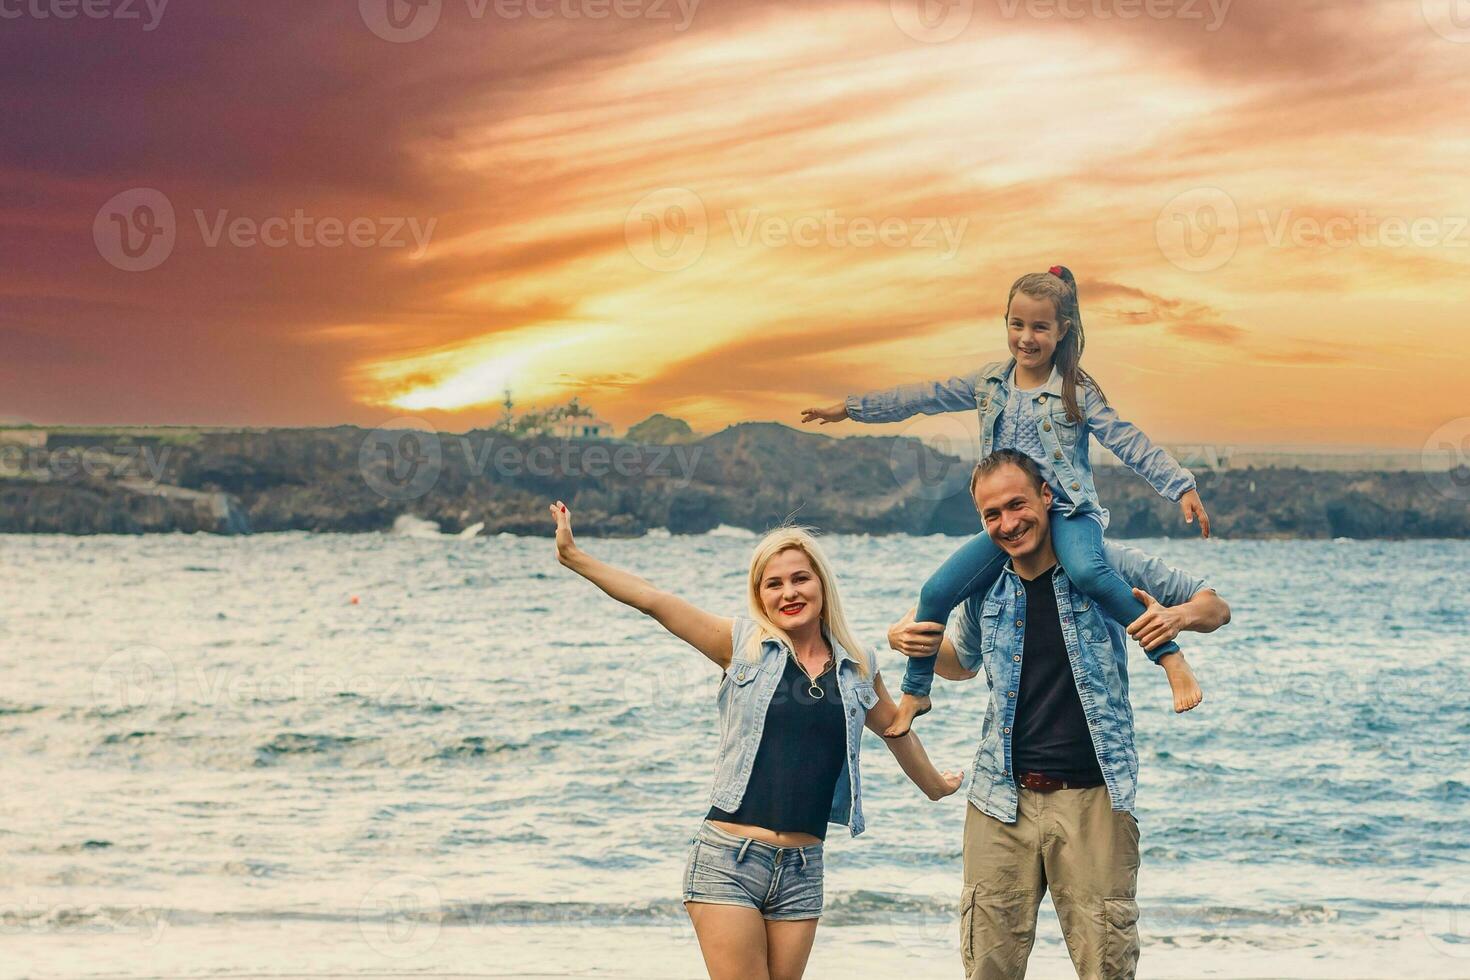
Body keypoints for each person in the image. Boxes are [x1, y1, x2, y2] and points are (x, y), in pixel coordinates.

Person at [548, 501, 963, 980]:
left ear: (822, 585)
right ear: (760, 595)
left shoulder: (858, 664)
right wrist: (574, 557)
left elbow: (895, 728)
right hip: (729, 860)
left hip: (804, 868)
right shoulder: (741, 646)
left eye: (800, 579)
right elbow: (653, 599)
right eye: (774, 584)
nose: (789, 592)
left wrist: (935, 786)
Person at [801, 265, 1211, 736]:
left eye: (1040, 327)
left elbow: (1126, 440)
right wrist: (852, 408)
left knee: (1088, 572)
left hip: (1067, 514)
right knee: (935, 593)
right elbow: (922, 396)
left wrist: (1179, 484)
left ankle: (1169, 657)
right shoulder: (989, 385)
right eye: (1017, 325)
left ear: (1062, 331)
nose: (1027, 337)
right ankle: (915, 693)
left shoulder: (1076, 391)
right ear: (1006, 324)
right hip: (1010, 523)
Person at [886, 450, 1231, 979]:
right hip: (1000, 801)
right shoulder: (985, 586)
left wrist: (1176, 617)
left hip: (1093, 800)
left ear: (1047, 497)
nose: (1009, 523)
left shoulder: (1104, 564)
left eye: (1018, 504)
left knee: (1106, 968)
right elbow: (964, 664)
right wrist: (910, 644)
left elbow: (1215, 605)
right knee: (988, 970)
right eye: (992, 515)